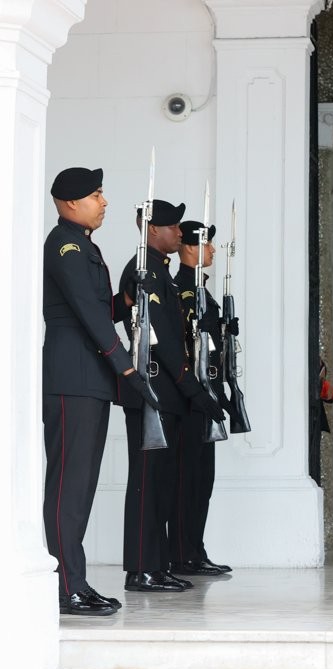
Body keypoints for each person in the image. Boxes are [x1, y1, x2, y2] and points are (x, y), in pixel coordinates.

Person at [42, 167, 158, 616]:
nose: (104, 202)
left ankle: (77, 581)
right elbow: (88, 320)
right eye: (96, 195)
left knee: (82, 486)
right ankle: (65, 586)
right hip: (73, 379)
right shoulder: (67, 246)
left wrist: (126, 299)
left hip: (88, 380)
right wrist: (125, 365)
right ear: (71, 203)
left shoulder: (83, 245)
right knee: (69, 487)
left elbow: (99, 310)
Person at [116, 200, 225, 593]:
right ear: (153, 229)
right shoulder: (144, 269)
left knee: (160, 484)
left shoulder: (158, 270)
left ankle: (156, 563)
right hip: (154, 391)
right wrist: (191, 387)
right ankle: (142, 568)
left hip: (166, 393)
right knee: (147, 484)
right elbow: (161, 342)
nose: (179, 235)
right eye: (173, 227)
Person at [169, 220, 234, 576]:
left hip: (206, 395)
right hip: (189, 399)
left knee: (202, 480)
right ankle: (181, 552)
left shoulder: (202, 291)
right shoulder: (182, 289)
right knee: (187, 480)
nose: (212, 251)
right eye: (207, 245)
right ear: (190, 248)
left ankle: (194, 549)